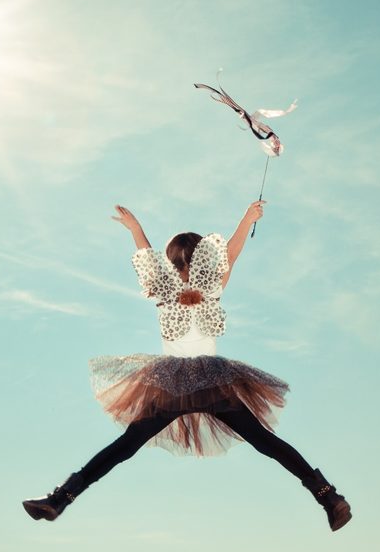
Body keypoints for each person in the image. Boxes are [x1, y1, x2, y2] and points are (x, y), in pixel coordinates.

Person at [22, 201, 352, 531]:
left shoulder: (162, 289)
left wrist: (135, 228)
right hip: (213, 384)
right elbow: (232, 253)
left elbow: (147, 257)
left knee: (125, 446)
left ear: (170, 262)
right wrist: (247, 218)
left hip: (172, 387)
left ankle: (60, 499)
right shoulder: (212, 286)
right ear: (203, 258)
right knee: (265, 441)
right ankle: (328, 497)